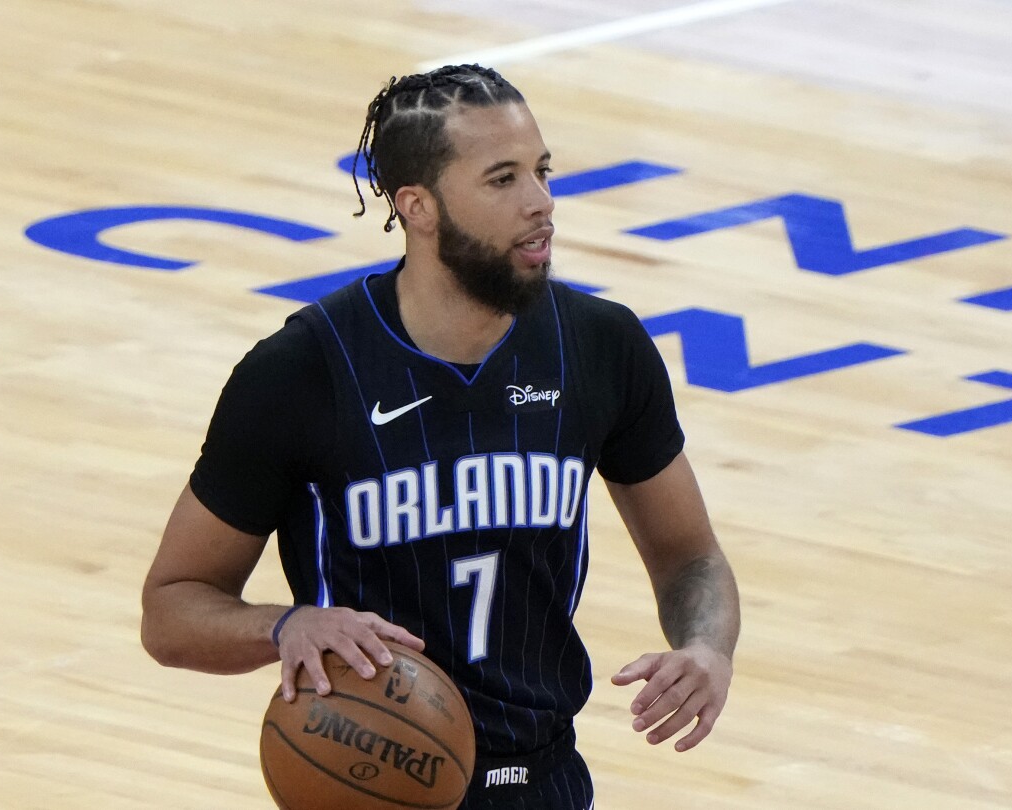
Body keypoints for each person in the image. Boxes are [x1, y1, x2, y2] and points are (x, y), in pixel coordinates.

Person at [141, 64, 740, 810]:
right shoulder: (303, 371)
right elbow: (171, 610)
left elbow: (690, 557)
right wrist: (286, 625)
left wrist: (707, 647)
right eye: (502, 179)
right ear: (417, 206)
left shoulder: (599, 346)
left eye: (542, 171)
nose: (541, 202)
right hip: (370, 776)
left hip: (545, 783)